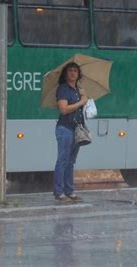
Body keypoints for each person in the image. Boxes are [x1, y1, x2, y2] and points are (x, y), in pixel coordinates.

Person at [53, 62, 88, 202]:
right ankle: (59, 192)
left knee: (71, 162)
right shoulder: (63, 89)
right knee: (62, 161)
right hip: (65, 128)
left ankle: (69, 190)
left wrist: (85, 98)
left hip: (77, 130)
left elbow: (82, 109)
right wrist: (81, 102)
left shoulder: (78, 90)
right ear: (65, 74)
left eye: (75, 71)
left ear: (78, 74)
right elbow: (63, 109)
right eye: (70, 71)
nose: (73, 73)